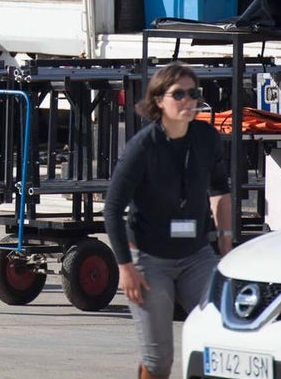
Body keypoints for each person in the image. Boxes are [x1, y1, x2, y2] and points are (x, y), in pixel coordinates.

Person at [103, 62, 232, 379]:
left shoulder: (206, 137)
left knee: (224, 333)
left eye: (194, 93)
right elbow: (112, 207)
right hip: (149, 259)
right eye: (179, 94)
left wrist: (227, 245)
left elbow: (220, 189)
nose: (189, 100)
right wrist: (125, 267)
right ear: (159, 100)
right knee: (159, 359)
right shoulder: (142, 147)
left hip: (197, 255)